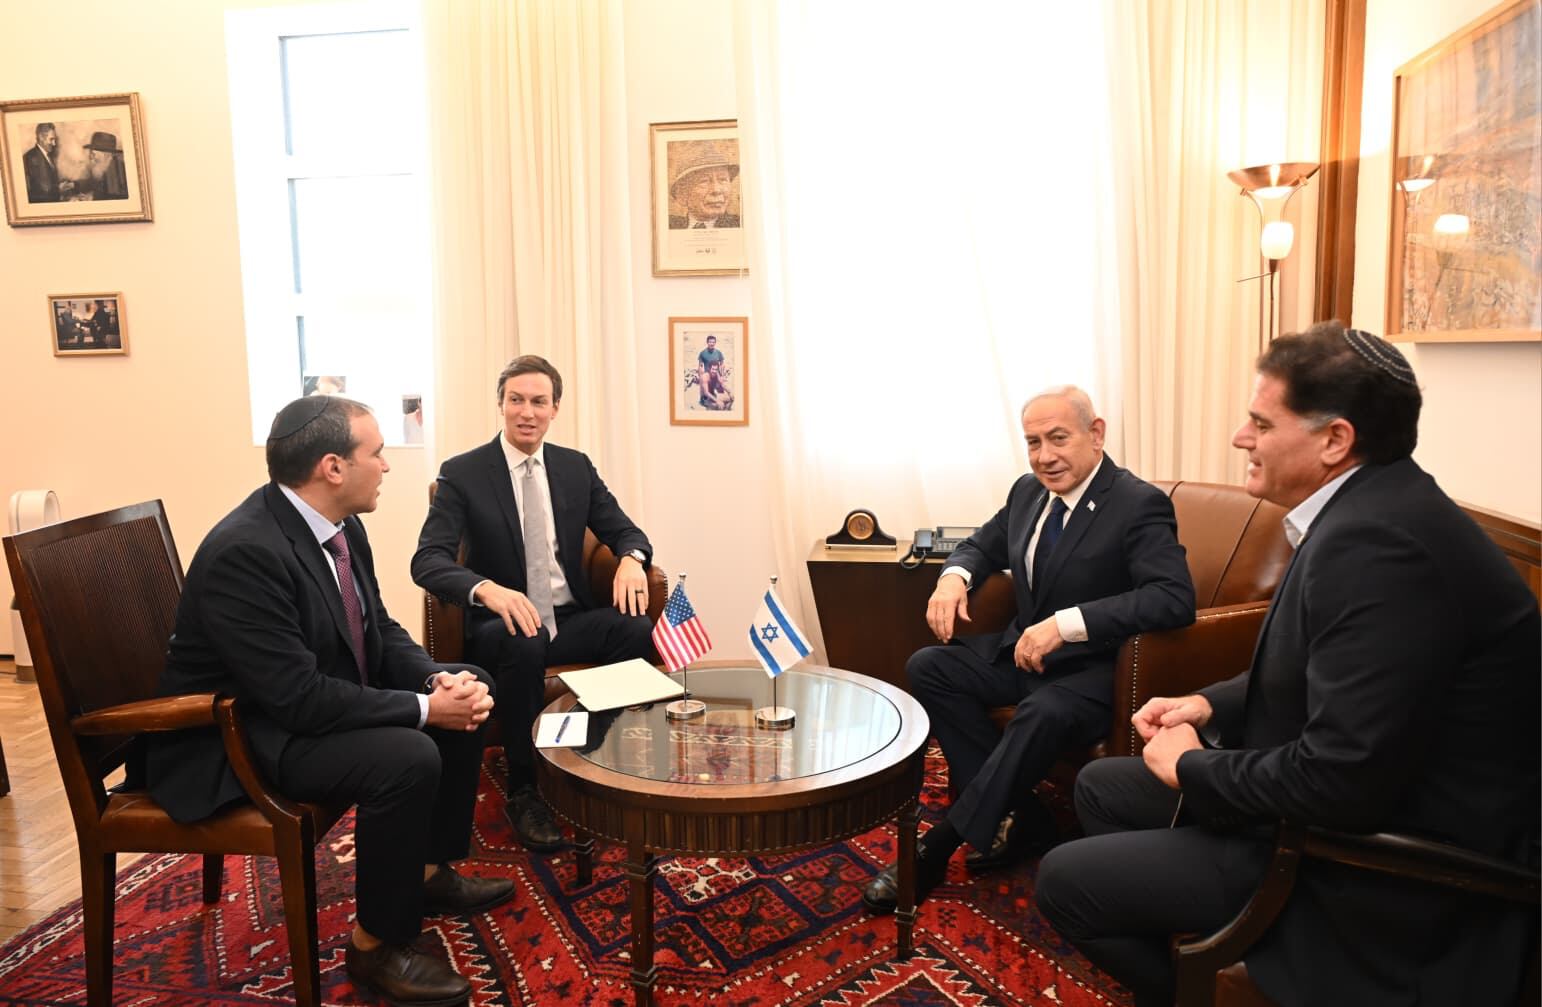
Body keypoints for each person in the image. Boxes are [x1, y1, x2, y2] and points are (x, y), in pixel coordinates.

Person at [1035, 323, 1540, 1007]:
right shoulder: (1372, 505)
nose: (1241, 437)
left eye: (1258, 421)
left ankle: (1208, 976)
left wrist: (1192, 765)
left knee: (1064, 881)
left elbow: (1341, 781)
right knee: (1101, 786)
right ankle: (1198, 940)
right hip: (1340, 801)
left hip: (1376, 864)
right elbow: (1323, 668)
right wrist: (1208, 705)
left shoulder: (1383, 549)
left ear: (1335, 439)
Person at [147, 396, 514, 1007]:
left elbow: (381, 629)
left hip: (293, 706)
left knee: (470, 679)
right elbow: (298, 700)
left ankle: (424, 872)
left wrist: (433, 682)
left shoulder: (341, 524)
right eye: (376, 453)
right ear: (332, 468)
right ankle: (376, 946)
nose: (388, 467)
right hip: (236, 738)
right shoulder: (247, 551)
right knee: (407, 754)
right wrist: (425, 711)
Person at [860, 386, 1196, 913]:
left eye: (1058, 438)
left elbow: (1173, 598)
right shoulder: (1027, 492)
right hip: (1022, 655)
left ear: (1096, 432)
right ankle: (1019, 813)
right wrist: (953, 578)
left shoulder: (1137, 503)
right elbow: (980, 544)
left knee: (1041, 712)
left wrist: (1067, 624)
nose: (1044, 456)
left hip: (1093, 672)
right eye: (1033, 442)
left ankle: (935, 848)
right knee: (930, 667)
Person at [412, 355, 656, 852]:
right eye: (516, 400)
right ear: (501, 405)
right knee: (525, 640)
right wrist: (486, 589)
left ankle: (590, 754)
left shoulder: (574, 467)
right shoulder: (463, 473)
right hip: (502, 624)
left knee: (633, 629)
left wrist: (631, 557)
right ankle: (526, 787)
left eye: (538, 401)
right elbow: (428, 560)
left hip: (567, 617)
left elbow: (625, 530)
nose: (527, 411)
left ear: (554, 409)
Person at [667, 140, 740, 229]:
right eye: (704, 181)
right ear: (682, 194)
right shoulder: (669, 226)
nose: (716, 190)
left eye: (722, 180)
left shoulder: (740, 225)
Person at [72, 131, 128, 201]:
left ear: (104, 155)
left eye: (93, 154)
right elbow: (93, 182)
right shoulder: (103, 166)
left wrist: (91, 199)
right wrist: (74, 184)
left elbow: (114, 200)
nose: (90, 156)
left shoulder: (116, 170)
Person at [22, 123, 70, 202]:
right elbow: (42, 190)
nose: (54, 144)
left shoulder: (47, 155)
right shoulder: (31, 157)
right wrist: (59, 188)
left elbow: (48, 183)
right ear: (41, 138)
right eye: (51, 139)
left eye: (54, 140)